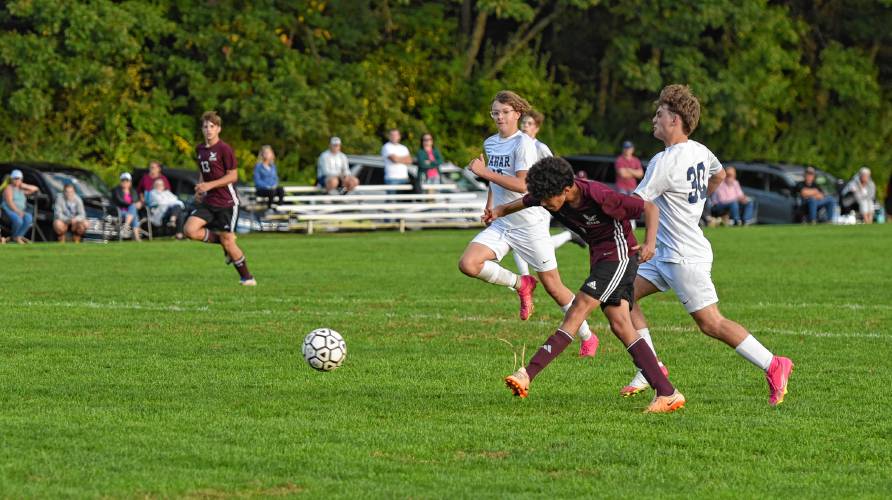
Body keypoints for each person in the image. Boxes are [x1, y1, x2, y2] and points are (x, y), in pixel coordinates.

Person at [620, 84, 793, 406]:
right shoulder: (700, 150)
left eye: (659, 114)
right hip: (669, 252)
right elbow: (718, 175)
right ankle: (650, 367)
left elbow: (636, 202)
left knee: (711, 323)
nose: (653, 120)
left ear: (675, 120)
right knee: (623, 295)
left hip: (682, 256)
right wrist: (695, 203)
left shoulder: (665, 159)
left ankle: (773, 364)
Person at [494, 156, 684, 413]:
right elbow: (527, 200)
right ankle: (667, 392)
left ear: (566, 189)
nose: (545, 205)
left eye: (548, 200)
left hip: (618, 255)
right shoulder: (548, 193)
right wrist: (499, 211)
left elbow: (650, 208)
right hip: (601, 257)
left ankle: (527, 374)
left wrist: (650, 243)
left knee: (577, 310)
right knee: (620, 324)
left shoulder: (600, 195)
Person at [461, 90, 598, 357]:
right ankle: (521, 284)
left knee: (555, 288)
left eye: (504, 112)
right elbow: (496, 179)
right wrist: (490, 205)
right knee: (468, 263)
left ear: (517, 114)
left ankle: (588, 337)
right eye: (495, 113)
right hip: (503, 222)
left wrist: (483, 172)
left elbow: (523, 185)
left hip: (529, 224)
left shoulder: (524, 144)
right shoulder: (490, 143)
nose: (499, 117)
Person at [183, 110, 256, 286]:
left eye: (212, 126)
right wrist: (200, 189)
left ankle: (247, 278)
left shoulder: (225, 149)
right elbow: (203, 171)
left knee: (230, 243)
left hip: (227, 202)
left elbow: (233, 176)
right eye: (205, 126)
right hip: (209, 201)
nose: (208, 130)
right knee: (190, 230)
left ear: (218, 129)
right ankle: (224, 243)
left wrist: (210, 185)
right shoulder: (200, 149)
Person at [514, 110, 584, 278]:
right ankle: (525, 279)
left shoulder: (540, 148)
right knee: (518, 238)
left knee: (540, 244)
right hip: (521, 199)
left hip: (540, 201)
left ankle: (567, 236)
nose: (525, 126)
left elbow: (555, 171)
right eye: (523, 123)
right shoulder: (515, 146)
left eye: (529, 124)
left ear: (536, 128)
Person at [1, 169, 38, 244]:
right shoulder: (9, 188)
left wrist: (24, 185)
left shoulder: (21, 189)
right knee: (18, 221)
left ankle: (17, 236)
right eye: (16, 179)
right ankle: (14, 237)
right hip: (8, 210)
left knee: (28, 218)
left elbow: (35, 189)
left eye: (19, 179)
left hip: (20, 211)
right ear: (12, 179)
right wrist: (18, 212)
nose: (17, 180)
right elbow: (9, 202)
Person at [112, 172, 143, 241]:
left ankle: (126, 227)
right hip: (120, 211)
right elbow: (119, 201)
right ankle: (135, 236)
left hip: (130, 213)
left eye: (127, 181)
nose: (125, 182)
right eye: (123, 180)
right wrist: (133, 204)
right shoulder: (116, 190)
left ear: (130, 182)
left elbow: (136, 201)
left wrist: (139, 204)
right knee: (134, 212)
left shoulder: (133, 191)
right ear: (120, 182)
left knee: (133, 211)